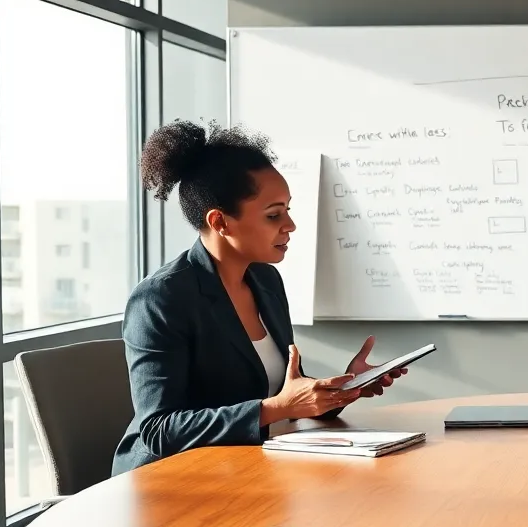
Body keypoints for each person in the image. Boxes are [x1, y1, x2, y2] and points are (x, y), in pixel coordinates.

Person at [112, 120, 406, 474]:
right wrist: (278, 408)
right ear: (220, 222)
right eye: (273, 215)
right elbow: (159, 430)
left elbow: (287, 394)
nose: (290, 225)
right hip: (169, 482)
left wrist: (346, 386)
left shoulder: (266, 281)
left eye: (288, 210)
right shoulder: (159, 299)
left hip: (243, 468)